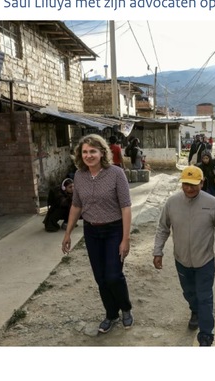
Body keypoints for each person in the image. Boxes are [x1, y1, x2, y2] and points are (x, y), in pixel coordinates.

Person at [62, 134, 134, 333]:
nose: (88, 155)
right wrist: (68, 233)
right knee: (100, 278)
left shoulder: (116, 173)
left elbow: (126, 207)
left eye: (93, 151)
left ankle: (126, 308)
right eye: (85, 152)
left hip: (114, 230)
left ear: (102, 152)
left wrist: (125, 238)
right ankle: (111, 314)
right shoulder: (79, 176)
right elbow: (76, 205)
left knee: (113, 275)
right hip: (91, 231)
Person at [153, 166, 215, 347]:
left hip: (205, 261)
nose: (189, 188)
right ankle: (194, 310)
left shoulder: (212, 203)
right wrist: (158, 251)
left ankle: (206, 335)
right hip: (182, 260)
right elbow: (163, 228)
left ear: (202, 183)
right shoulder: (172, 202)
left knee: (205, 297)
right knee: (189, 293)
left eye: (194, 184)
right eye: (186, 184)